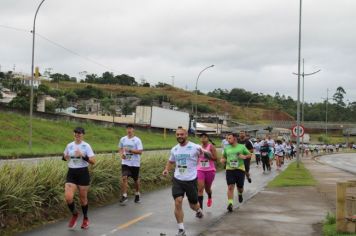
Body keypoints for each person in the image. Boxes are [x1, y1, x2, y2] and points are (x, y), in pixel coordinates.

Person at [162, 127, 204, 236]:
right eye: (177, 134)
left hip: (191, 180)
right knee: (178, 202)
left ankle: (198, 210)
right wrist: (167, 169)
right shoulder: (175, 149)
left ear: (186, 135)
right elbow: (171, 161)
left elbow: (206, 156)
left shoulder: (195, 147)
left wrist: (205, 155)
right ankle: (181, 229)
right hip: (178, 180)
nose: (179, 136)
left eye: (182, 134)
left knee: (193, 205)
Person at [62, 127, 96, 229]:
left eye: (80, 133)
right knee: (68, 198)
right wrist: (64, 157)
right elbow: (64, 157)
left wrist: (83, 155)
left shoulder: (86, 146)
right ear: (74, 134)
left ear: (83, 135)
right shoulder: (69, 145)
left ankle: (85, 218)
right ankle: (74, 214)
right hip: (71, 172)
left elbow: (93, 161)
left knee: (83, 199)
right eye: (76, 133)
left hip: (83, 172)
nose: (77, 135)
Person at [222, 133, 251, 212]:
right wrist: (223, 160)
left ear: (234, 138)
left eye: (229, 138)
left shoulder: (241, 147)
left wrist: (244, 156)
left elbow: (249, 154)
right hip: (229, 169)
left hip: (240, 169)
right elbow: (223, 157)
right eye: (227, 138)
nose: (228, 140)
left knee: (240, 188)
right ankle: (230, 204)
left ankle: (240, 194)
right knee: (230, 186)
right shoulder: (227, 148)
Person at [118, 124, 144, 205]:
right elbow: (120, 148)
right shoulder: (123, 139)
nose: (129, 130)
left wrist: (130, 150)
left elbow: (140, 152)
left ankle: (137, 194)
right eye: (128, 129)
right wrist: (121, 154)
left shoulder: (137, 140)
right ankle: (124, 196)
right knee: (124, 177)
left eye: (130, 129)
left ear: (133, 130)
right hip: (125, 163)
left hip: (135, 163)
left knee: (136, 180)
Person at [197, 132, 218, 209]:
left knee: (207, 188)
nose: (203, 138)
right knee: (200, 188)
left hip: (210, 170)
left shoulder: (211, 146)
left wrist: (208, 156)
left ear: (208, 138)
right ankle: (200, 209)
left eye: (205, 137)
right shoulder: (198, 147)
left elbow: (215, 158)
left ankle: (209, 196)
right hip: (200, 170)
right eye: (201, 137)